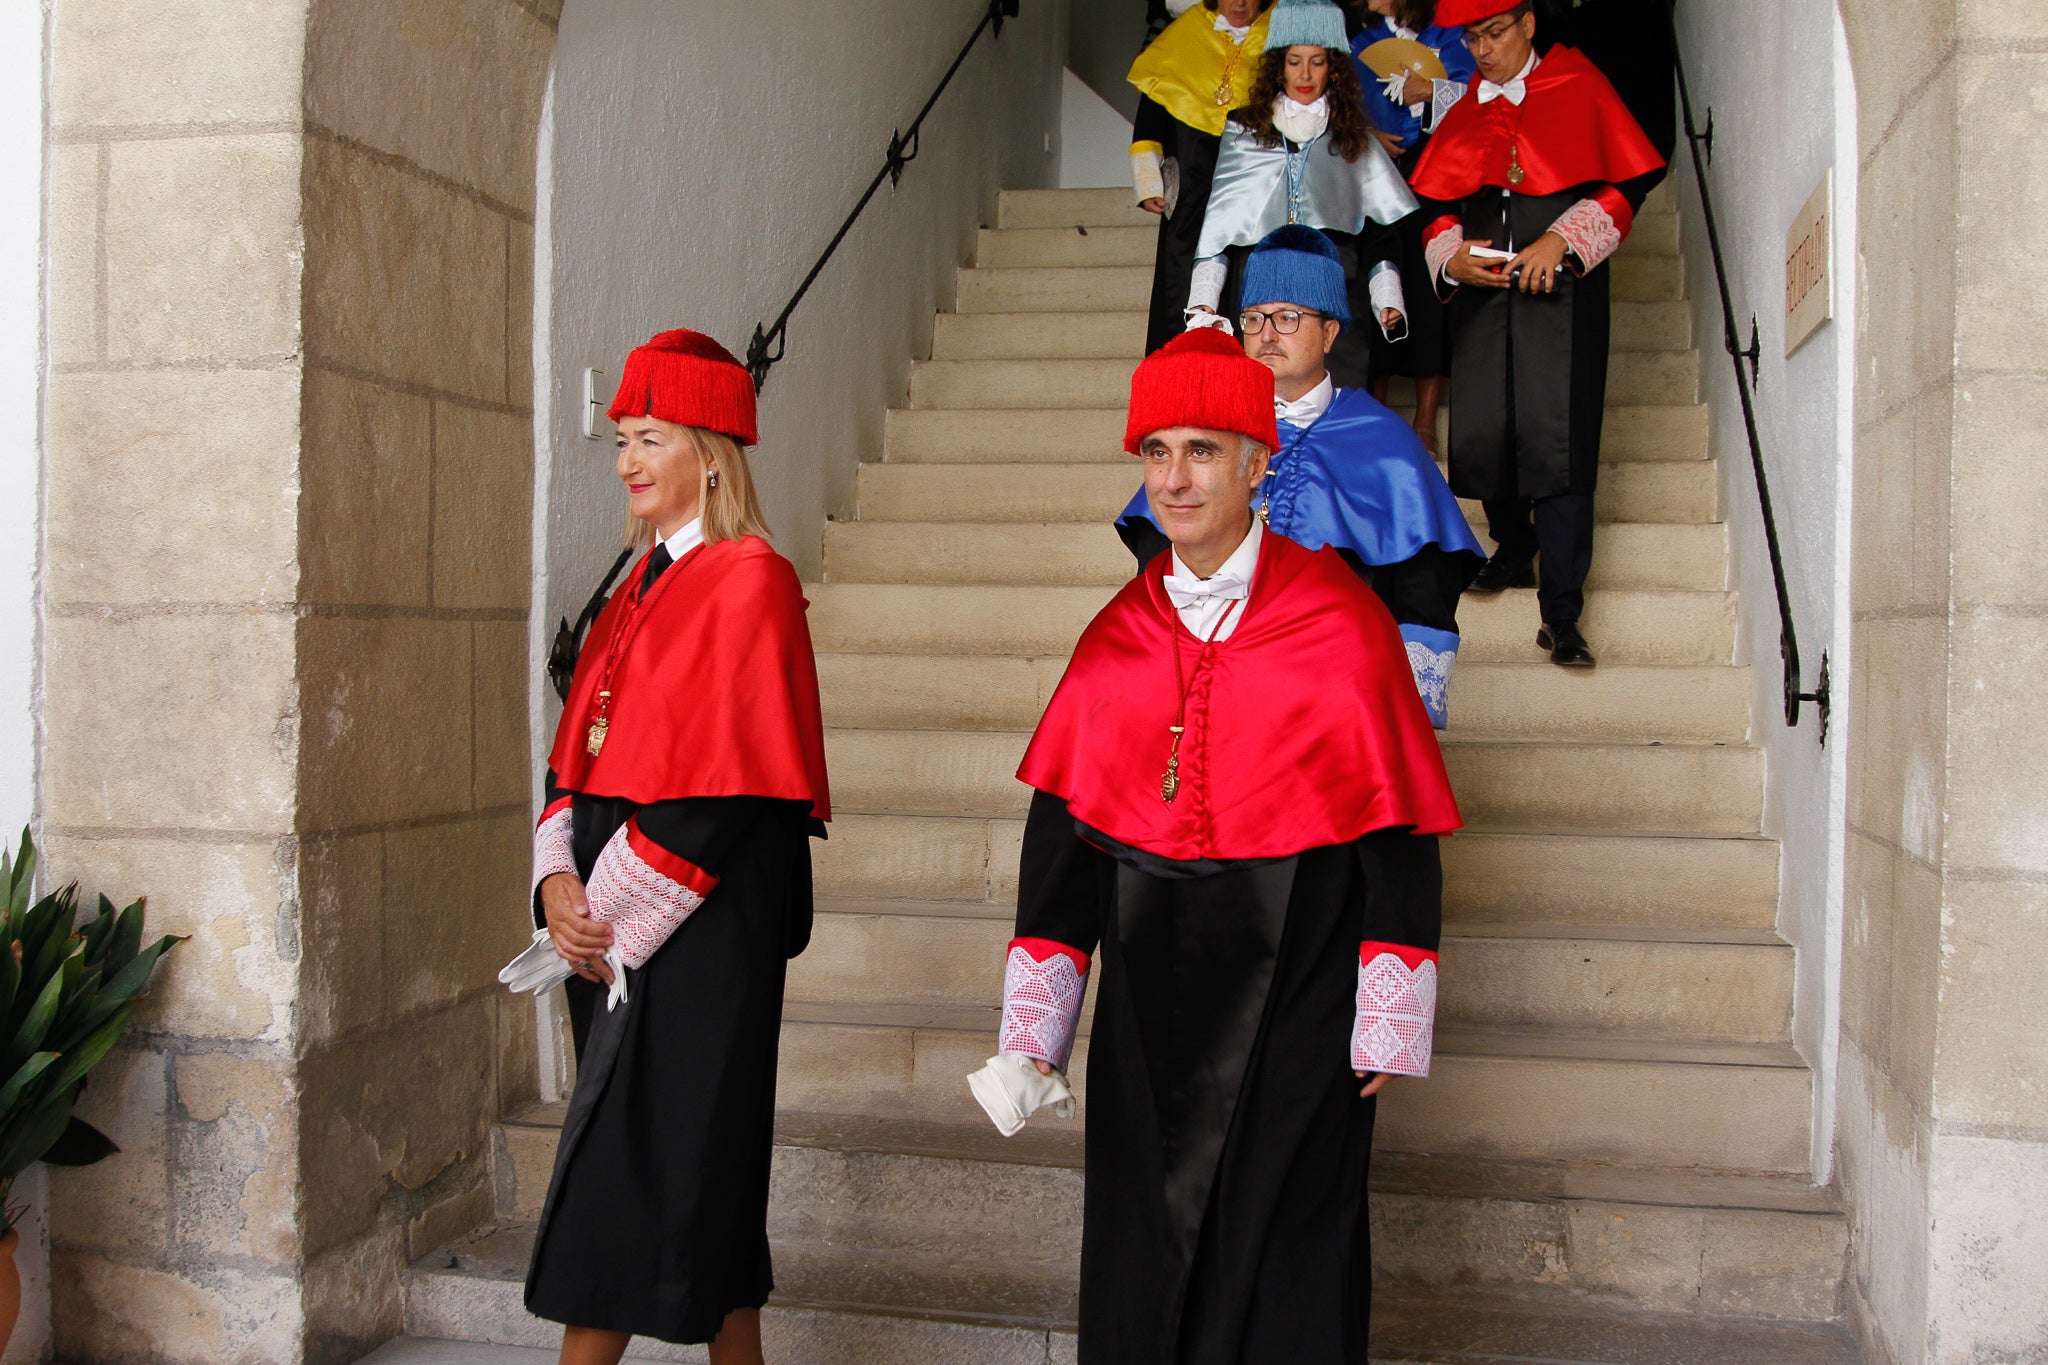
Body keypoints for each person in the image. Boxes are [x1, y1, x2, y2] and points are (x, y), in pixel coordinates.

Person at [987, 327, 1460, 1364]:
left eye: (1201, 450)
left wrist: (1386, 1008)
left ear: (1258, 462)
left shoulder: (1342, 618)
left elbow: (1397, 827)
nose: (1175, 477)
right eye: (1154, 452)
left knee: (1284, 1247)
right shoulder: (1114, 633)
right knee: (1138, 1241)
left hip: (1298, 994)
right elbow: (1060, 849)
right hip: (1145, 1005)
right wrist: (1033, 1026)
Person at [524, 329, 832, 1365]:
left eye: (648, 437)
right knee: (697, 1178)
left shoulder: (750, 578)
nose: (626, 460)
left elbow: (727, 786)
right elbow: (582, 756)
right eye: (621, 439)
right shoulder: (637, 580)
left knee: (639, 1161)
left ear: (711, 450)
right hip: (608, 906)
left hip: (695, 923)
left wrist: (606, 911)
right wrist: (556, 877)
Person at [1117, 226, 1483, 727]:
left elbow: (1423, 589)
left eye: (1288, 317)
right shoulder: (1202, 436)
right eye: (1253, 318)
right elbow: (1156, 565)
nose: (1266, 334)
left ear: (1330, 332)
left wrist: (1399, 717)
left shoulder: (1386, 443)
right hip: (1212, 684)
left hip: (1335, 696)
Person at [1409, 0, 1663, 667]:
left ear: (1527, 23)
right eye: (1472, 37)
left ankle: (1563, 612)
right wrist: (1450, 255)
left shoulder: (1580, 85)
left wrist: (1562, 240)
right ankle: (1513, 548)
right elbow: (1434, 208)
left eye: (1493, 33)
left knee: (1560, 440)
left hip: (1563, 291)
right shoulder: (1464, 104)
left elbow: (1629, 184)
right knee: (1489, 427)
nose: (1482, 49)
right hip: (1484, 293)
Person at [1186, 0, 1416, 389]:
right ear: (1279, 65)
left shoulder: (1353, 134)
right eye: (1294, 61)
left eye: (1317, 61)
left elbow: (1380, 233)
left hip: (1334, 279)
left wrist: (1387, 298)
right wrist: (1204, 302)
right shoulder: (1244, 129)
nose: (1305, 74)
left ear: (1334, 68)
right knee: (1257, 400)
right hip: (1259, 277)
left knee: (1335, 397)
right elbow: (1220, 227)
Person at [1350, 0, 1475, 449]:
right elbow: (1337, 106)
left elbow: (1478, 99)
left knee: (1427, 289)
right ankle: (1378, 411)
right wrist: (1366, 135)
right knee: (1381, 278)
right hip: (1374, 176)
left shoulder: (1448, 34)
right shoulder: (1358, 45)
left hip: (1435, 174)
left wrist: (1430, 93)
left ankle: (1425, 417)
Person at [1128, 0, 1275, 353]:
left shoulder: (1279, 38)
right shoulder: (1185, 34)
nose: (1239, 3)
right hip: (1194, 186)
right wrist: (1149, 181)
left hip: (1251, 193)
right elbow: (1152, 113)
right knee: (1180, 286)